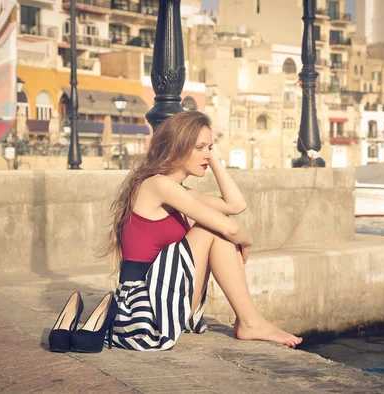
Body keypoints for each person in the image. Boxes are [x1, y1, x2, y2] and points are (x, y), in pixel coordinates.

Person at [99, 110, 302, 351]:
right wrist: (247, 241)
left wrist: (212, 158)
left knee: (218, 225)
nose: (207, 154)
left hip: (163, 301)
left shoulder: (178, 191)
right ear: (177, 148)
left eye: (210, 147)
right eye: (200, 148)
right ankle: (250, 321)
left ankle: (250, 320)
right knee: (211, 228)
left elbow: (236, 205)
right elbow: (230, 227)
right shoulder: (157, 185)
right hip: (141, 312)